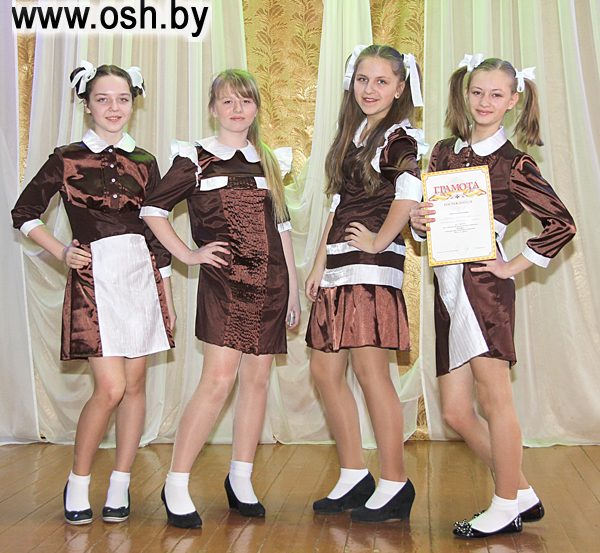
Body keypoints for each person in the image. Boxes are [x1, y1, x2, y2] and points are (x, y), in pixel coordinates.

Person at [409, 55, 576, 539]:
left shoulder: (514, 163)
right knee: (455, 411)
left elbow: (561, 224)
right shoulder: (443, 152)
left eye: (497, 94)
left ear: (513, 100)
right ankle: (520, 492)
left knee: (494, 398)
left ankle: (504, 506)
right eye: (478, 92)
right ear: (465, 93)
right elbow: (428, 223)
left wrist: (511, 265)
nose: (485, 102)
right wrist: (419, 223)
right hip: (446, 287)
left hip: (483, 290)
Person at [11, 62, 175, 525]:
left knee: (136, 385)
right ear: (86, 104)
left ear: (133, 103)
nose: (113, 107)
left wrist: (165, 292)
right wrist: (62, 251)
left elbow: (156, 228)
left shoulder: (146, 161)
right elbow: (24, 212)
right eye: (102, 98)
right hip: (95, 279)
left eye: (122, 98)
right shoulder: (66, 158)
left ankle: (120, 483)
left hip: (142, 277)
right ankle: (79, 481)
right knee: (111, 387)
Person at [141, 69, 300, 529]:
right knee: (217, 381)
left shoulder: (268, 160)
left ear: (256, 108)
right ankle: (176, 483)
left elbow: (282, 228)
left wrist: (292, 287)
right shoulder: (195, 158)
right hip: (225, 284)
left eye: (245, 101)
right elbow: (152, 209)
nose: (237, 109)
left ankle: (241, 479)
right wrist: (189, 254)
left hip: (271, 284)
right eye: (227, 101)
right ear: (213, 109)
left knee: (257, 380)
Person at [304, 45, 428, 523]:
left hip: (370, 270)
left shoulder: (398, 137)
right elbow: (338, 206)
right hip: (339, 265)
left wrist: (379, 240)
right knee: (324, 371)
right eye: (362, 79)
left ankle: (395, 482)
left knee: (372, 373)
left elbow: (410, 190)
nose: (370, 89)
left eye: (381, 81)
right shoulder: (355, 135)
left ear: (399, 88)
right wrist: (318, 264)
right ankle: (355, 474)